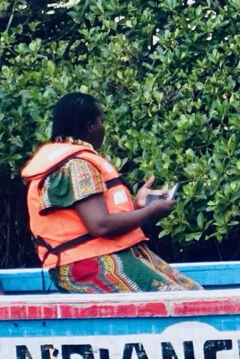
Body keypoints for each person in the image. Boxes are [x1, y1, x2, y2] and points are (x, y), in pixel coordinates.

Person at [18, 92, 197, 292]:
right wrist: (151, 211)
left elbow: (93, 217)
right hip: (85, 263)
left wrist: (137, 204)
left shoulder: (70, 160)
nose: (103, 127)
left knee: (191, 292)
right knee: (175, 296)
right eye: (101, 121)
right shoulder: (77, 165)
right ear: (89, 126)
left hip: (108, 252)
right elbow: (100, 226)